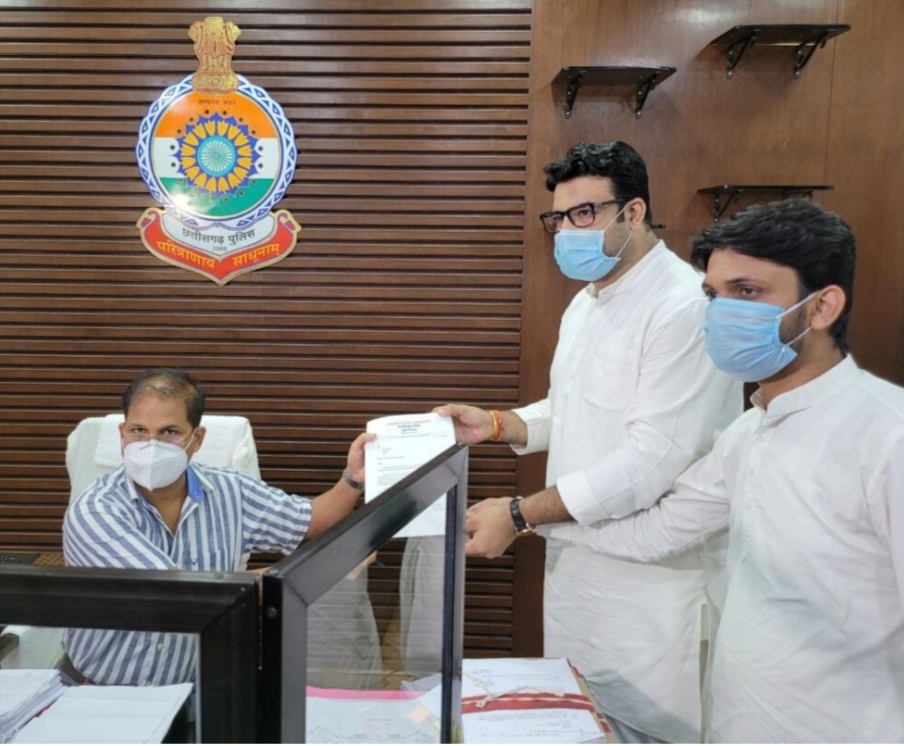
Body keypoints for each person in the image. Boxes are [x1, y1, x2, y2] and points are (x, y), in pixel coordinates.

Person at [437, 141, 741, 742]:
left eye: (584, 213)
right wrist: (497, 424)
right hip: (580, 567)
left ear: (633, 212)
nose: (567, 232)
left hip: (652, 586)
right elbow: (574, 408)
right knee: (581, 720)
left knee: (648, 731)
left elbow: (648, 461)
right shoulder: (588, 300)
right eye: (559, 218)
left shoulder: (682, 306)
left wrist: (519, 514)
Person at [574, 198, 904, 742]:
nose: (722, 313)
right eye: (713, 295)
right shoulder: (748, 432)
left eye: (747, 292)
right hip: (739, 721)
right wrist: (524, 520)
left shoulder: (887, 436)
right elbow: (661, 530)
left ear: (822, 307)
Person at [62, 367, 374, 687]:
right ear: (122, 432)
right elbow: (179, 595)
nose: (151, 445)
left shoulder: (229, 489)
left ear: (196, 439)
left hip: (193, 687)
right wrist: (324, 565)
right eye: (138, 430)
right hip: (103, 690)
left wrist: (353, 478)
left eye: (169, 432)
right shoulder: (95, 510)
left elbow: (311, 520)